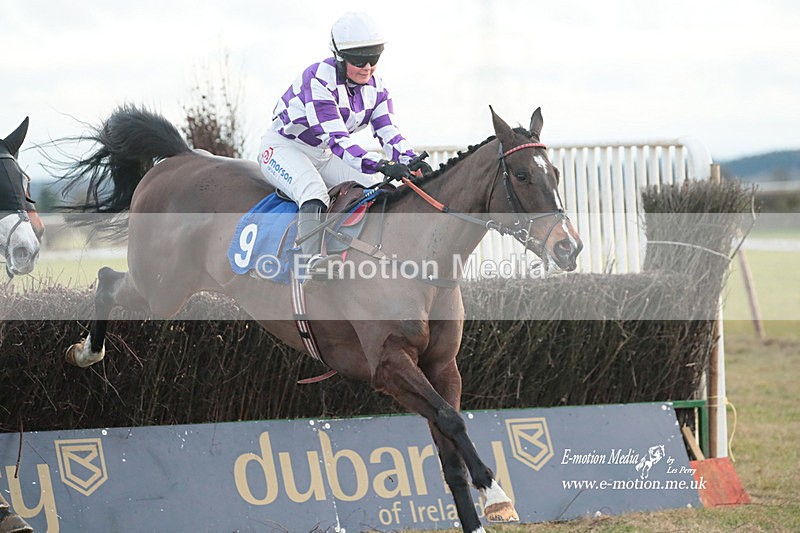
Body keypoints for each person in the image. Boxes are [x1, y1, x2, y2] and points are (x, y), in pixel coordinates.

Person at [258, 11, 431, 276]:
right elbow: (338, 140)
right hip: (283, 148)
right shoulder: (318, 79)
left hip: (323, 153)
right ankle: (311, 262)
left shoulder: (378, 89)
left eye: (374, 58)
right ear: (339, 56)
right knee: (312, 190)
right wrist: (383, 164)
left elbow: (389, 132)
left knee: (375, 186)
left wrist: (412, 161)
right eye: (360, 60)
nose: (368, 67)